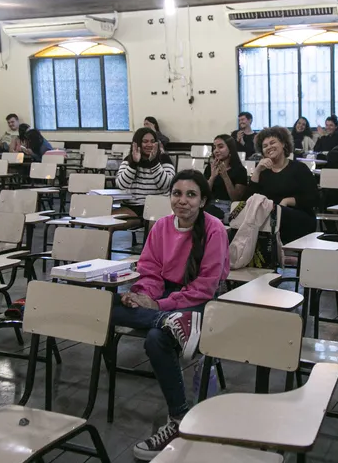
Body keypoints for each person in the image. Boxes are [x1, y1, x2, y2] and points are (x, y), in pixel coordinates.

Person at [110, 170, 229, 460]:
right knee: (108, 306)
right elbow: (150, 270)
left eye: (191, 195)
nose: (183, 200)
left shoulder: (214, 229)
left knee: (156, 340)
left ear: (202, 201)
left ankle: (177, 419)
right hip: (165, 301)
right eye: (177, 193)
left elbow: (205, 286)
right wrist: (142, 295)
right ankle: (169, 323)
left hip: (199, 301)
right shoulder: (161, 226)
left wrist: (162, 306)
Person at [248, 126, 318, 243]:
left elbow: (314, 198)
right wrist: (257, 170)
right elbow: (250, 200)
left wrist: (287, 201)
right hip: (270, 219)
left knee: (278, 213)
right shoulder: (263, 172)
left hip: (299, 217)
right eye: (265, 146)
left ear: (283, 144)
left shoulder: (299, 168)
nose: (269, 147)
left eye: (272, 143)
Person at [115, 127, 176, 217]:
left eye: (152, 141)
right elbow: (121, 184)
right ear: (138, 143)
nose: (149, 144)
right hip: (133, 206)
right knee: (107, 221)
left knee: (152, 222)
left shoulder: (164, 159)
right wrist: (134, 164)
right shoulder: (129, 160)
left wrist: (154, 163)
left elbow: (166, 186)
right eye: (145, 141)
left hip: (157, 207)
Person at [203, 134, 248, 217]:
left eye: (220, 147)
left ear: (230, 149)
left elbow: (236, 199)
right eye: (214, 147)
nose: (216, 150)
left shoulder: (240, 170)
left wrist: (225, 176)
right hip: (210, 206)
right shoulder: (210, 168)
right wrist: (212, 177)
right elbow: (203, 194)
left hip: (229, 209)